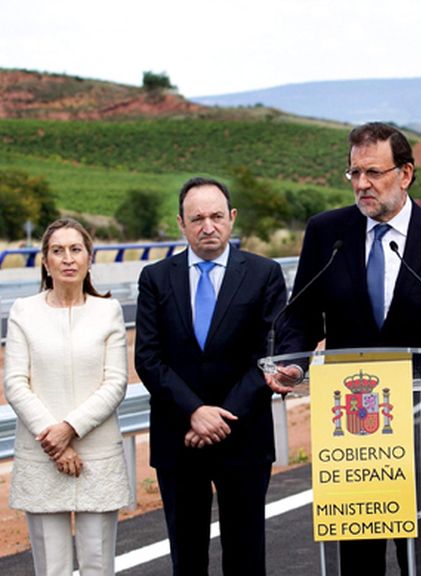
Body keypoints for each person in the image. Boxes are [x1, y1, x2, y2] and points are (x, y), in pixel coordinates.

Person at [267, 122, 421, 576]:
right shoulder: (327, 234)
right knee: (358, 564)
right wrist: (295, 365)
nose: (362, 184)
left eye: (373, 173)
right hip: (355, 438)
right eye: (353, 173)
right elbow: (301, 317)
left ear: (406, 174)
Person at [134, 177, 288, 575]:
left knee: (246, 555)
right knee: (187, 558)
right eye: (197, 218)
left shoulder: (264, 274)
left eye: (217, 216)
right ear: (181, 224)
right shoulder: (155, 278)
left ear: (232, 218)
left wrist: (219, 416)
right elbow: (149, 358)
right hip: (178, 436)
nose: (208, 226)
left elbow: (268, 355)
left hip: (244, 434)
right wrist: (194, 412)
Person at [4, 218, 130, 576]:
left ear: (90, 257)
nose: (68, 258)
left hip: (97, 456)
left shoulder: (108, 311)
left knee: (97, 563)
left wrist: (70, 429)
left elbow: (115, 383)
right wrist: (55, 438)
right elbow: (15, 382)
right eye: (57, 251)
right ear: (45, 261)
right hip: (42, 454)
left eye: (76, 249)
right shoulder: (24, 312)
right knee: (51, 568)